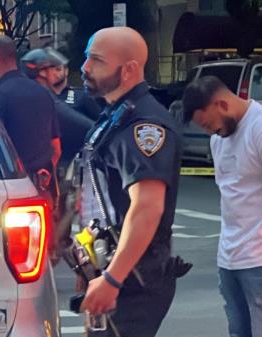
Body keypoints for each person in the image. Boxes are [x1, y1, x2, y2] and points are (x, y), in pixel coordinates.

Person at [77, 27, 189, 337]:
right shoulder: (117, 115)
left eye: (97, 60)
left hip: (132, 281)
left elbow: (147, 208)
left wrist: (113, 279)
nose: (85, 67)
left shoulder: (144, 126)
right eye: (87, 57)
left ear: (129, 70)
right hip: (115, 272)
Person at [181, 75, 262, 337]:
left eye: (209, 124)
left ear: (222, 104)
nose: (210, 132)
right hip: (230, 256)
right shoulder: (219, 139)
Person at [0, 35, 61, 251]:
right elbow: (56, 148)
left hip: (13, 193)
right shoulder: (43, 93)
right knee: (42, 259)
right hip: (44, 189)